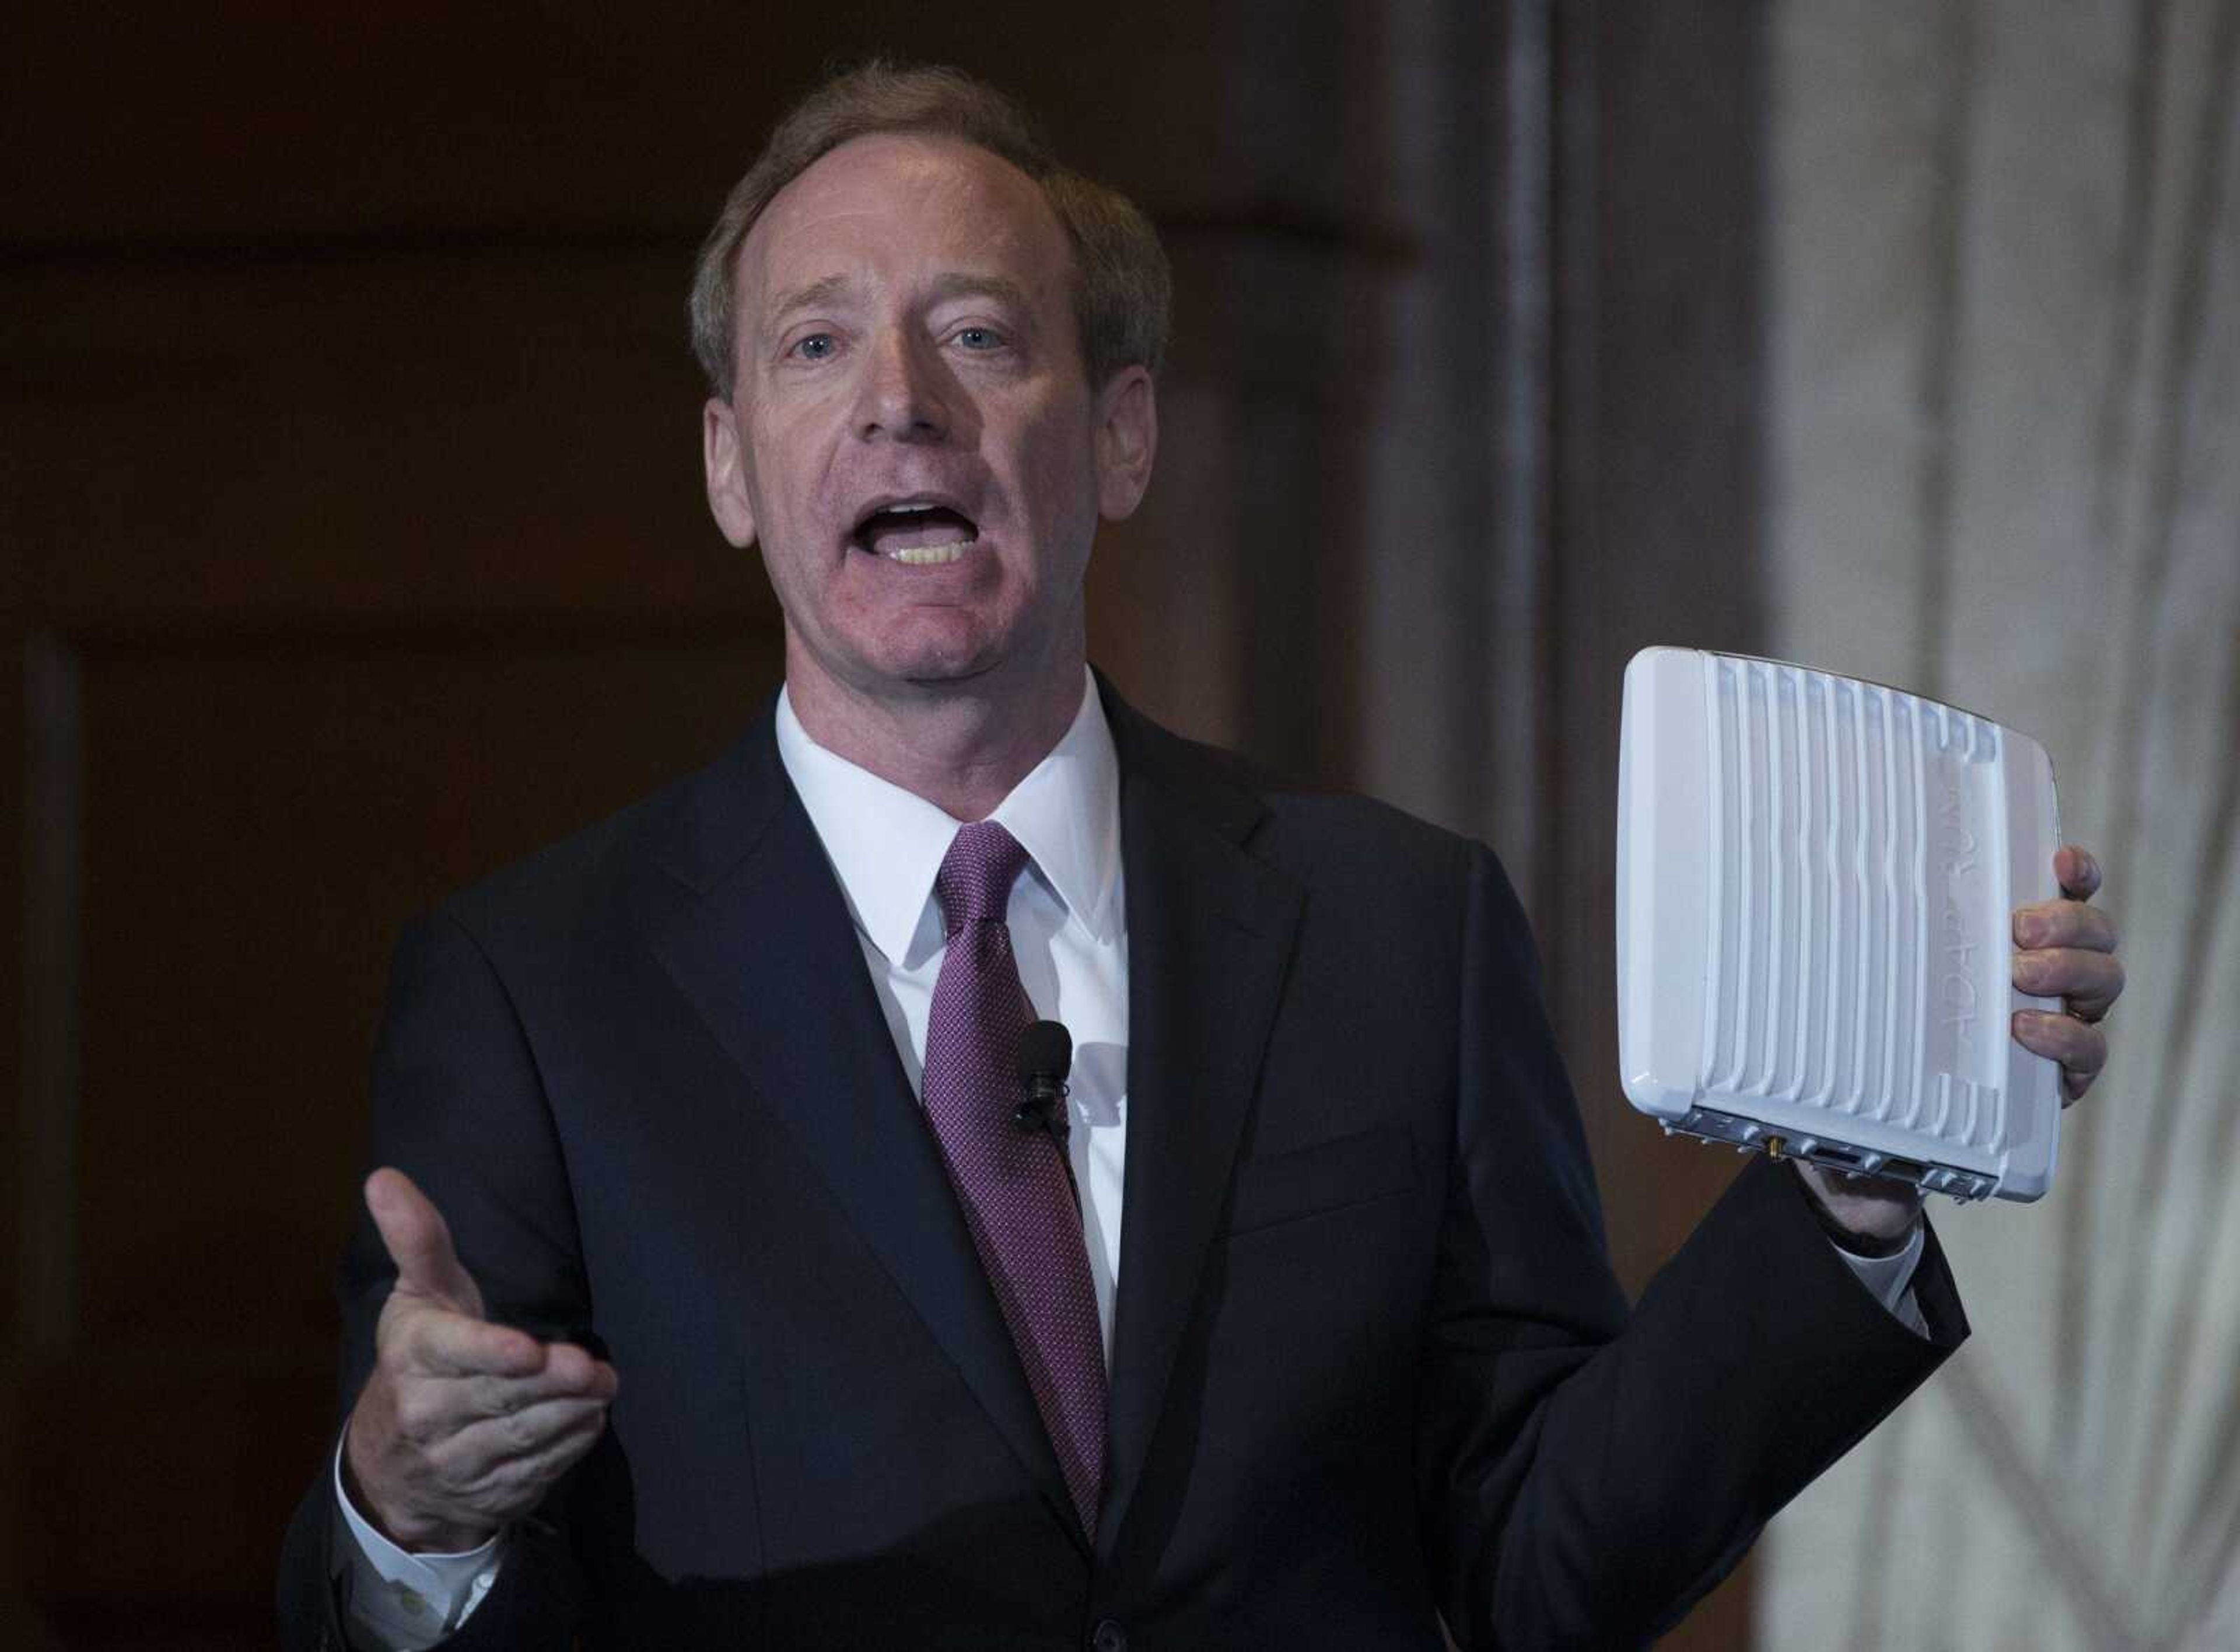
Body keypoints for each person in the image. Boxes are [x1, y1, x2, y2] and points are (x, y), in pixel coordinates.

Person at [276, 62, 2125, 1651]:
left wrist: (1851, 1203)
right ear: (732, 469)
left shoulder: (1399, 927)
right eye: (816, 342)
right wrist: (407, 1515)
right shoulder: (536, 987)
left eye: (980, 334)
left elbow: (1547, 1571)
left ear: (1124, 434)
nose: (900, 398)